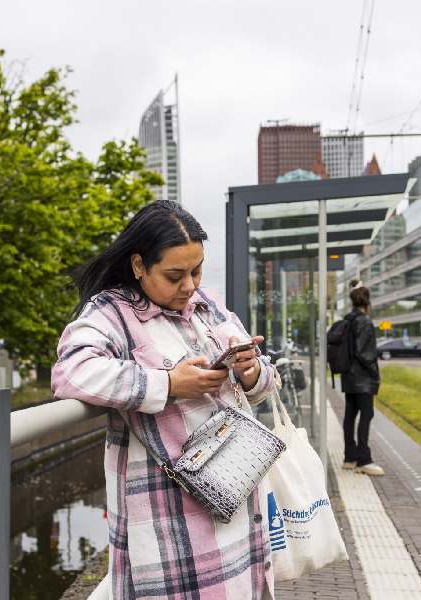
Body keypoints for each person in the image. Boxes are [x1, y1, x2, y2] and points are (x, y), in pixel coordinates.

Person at [52, 201, 279, 599]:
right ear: (139, 266)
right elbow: (71, 372)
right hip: (169, 515)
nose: (189, 285)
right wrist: (169, 384)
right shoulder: (111, 313)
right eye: (175, 275)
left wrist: (250, 370)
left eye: (196, 270)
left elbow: (263, 385)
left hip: (236, 495)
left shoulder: (206, 307)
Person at [340, 285, 385, 477]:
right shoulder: (365, 321)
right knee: (366, 415)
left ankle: (349, 458)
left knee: (350, 416)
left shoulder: (348, 320)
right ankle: (364, 460)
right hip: (363, 379)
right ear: (367, 302)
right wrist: (375, 374)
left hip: (349, 377)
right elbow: (365, 353)